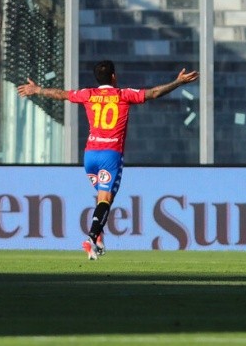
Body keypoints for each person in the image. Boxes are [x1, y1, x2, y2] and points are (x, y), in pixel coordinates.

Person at [17, 60, 199, 260]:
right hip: (110, 155)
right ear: (114, 76)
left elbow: (61, 94)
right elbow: (153, 93)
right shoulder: (123, 95)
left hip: (90, 156)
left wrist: (37, 90)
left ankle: (99, 238)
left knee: (101, 199)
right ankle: (91, 238)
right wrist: (178, 82)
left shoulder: (88, 94)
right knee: (105, 199)